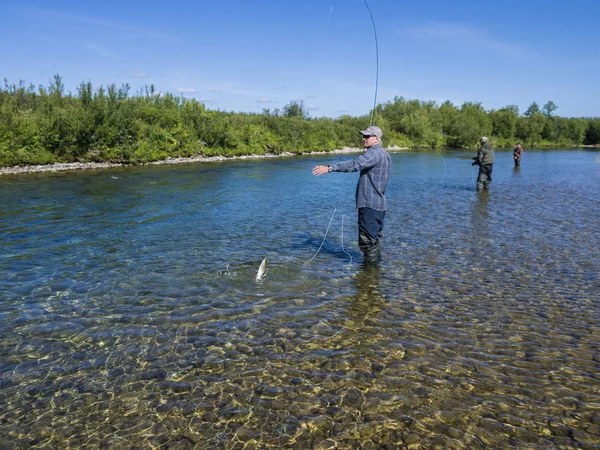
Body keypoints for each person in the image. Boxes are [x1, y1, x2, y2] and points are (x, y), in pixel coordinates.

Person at [312, 125, 391, 263]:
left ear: (377, 139)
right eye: (363, 136)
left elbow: (355, 164)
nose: (364, 139)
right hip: (379, 205)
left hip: (370, 205)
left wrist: (330, 168)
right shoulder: (385, 154)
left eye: (367, 136)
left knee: (367, 242)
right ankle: (373, 276)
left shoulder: (374, 153)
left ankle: (369, 277)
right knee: (373, 241)